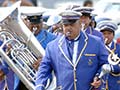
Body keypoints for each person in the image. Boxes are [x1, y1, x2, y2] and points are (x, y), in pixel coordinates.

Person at [35, 10, 109, 90]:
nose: (68, 28)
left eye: (72, 25)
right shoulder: (52, 46)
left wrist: (100, 77)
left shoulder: (96, 42)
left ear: (80, 24)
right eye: (66, 25)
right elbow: (44, 70)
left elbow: (105, 64)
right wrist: (39, 86)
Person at [97, 20, 120, 90]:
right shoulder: (97, 47)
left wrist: (112, 67)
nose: (106, 36)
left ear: (113, 35)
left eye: (109, 33)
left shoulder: (118, 47)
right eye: (104, 33)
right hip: (100, 83)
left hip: (115, 83)